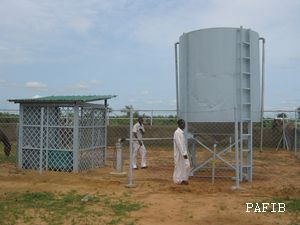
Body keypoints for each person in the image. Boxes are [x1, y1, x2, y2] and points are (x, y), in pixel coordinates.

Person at [173, 119, 190, 185]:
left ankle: (183, 179)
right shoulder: (177, 133)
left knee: (185, 166)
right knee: (178, 167)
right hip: (179, 154)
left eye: (184, 123)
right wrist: (184, 154)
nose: (184, 125)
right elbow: (179, 144)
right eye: (182, 123)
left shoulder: (181, 133)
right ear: (179, 124)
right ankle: (177, 181)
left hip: (183, 153)